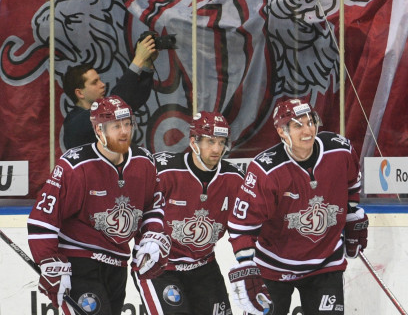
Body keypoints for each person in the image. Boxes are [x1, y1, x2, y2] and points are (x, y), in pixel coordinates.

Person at [226, 98, 367, 315]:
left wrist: (352, 216)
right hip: (273, 266)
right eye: (298, 125)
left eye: (310, 122)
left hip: (325, 263)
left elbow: (352, 186)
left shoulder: (340, 150)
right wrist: (246, 266)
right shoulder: (265, 169)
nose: (307, 130)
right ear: (282, 132)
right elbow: (242, 224)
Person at [27, 96, 162, 314]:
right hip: (79, 262)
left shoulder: (144, 161)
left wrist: (151, 236)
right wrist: (49, 262)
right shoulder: (74, 165)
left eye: (127, 124)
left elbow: (153, 206)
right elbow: (42, 220)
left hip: (118, 263)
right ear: (99, 130)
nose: (124, 131)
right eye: (116, 126)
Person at [133, 111, 244, 315]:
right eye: (210, 142)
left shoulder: (234, 178)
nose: (217, 149)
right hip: (160, 267)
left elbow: (249, 224)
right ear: (193, 141)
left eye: (221, 142)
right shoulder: (163, 171)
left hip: (204, 266)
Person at [62, 34, 158, 149]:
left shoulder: (105, 113)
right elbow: (115, 102)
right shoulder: (74, 122)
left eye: (100, 80)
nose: (102, 85)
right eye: (94, 82)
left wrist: (147, 65)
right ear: (79, 93)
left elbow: (137, 98)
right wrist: (138, 59)